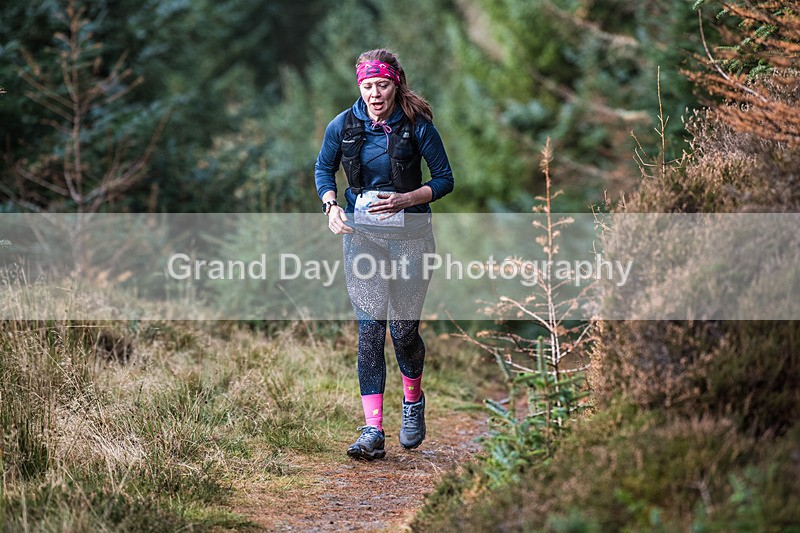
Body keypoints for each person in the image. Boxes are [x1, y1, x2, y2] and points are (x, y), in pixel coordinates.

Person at [314, 49, 454, 460]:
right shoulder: (343, 125)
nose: (375, 94)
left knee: (403, 332)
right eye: (367, 86)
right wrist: (330, 205)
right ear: (359, 86)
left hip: (412, 235)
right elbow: (324, 169)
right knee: (371, 329)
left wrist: (406, 199)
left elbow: (445, 179)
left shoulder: (418, 126)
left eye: (383, 85)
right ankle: (372, 430)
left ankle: (412, 403)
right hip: (363, 238)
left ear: (397, 84)